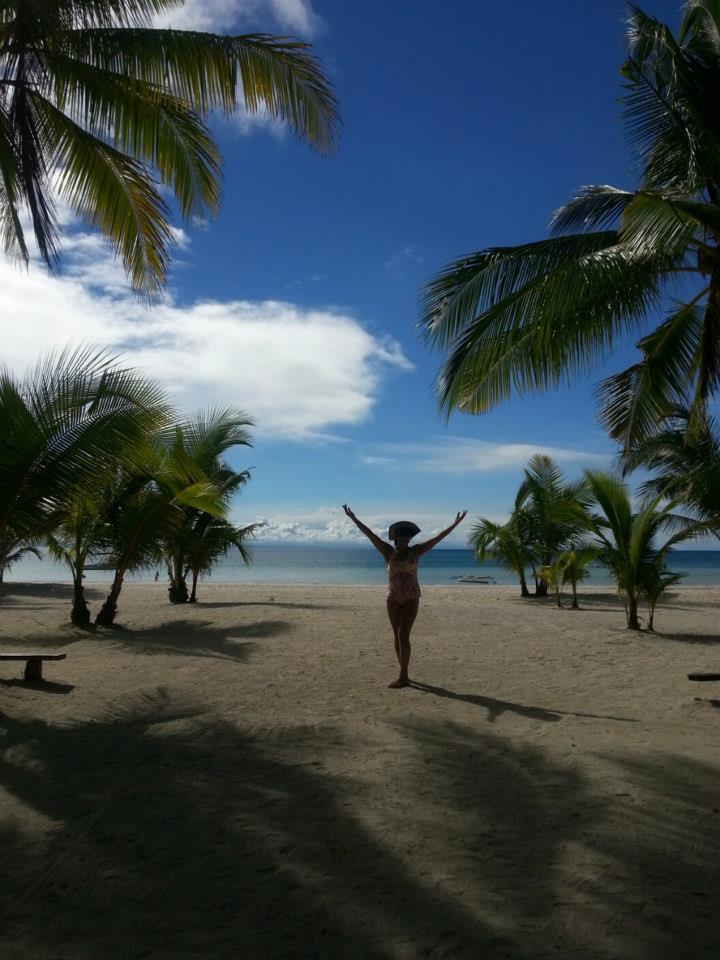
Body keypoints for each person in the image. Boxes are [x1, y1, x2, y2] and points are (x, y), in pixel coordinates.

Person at [342, 505, 467, 688]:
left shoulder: (416, 551)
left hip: (411, 597)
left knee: (403, 635)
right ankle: (404, 671)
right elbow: (369, 534)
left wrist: (455, 523)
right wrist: (353, 517)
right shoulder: (387, 551)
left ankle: (403, 676)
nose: (406, 538)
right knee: (396, 635)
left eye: (408, 535)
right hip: (392, 597)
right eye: (402, 535)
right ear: (396, 537)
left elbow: (438, 538)